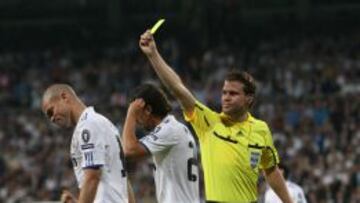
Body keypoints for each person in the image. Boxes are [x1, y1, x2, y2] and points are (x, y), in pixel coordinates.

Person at [139, 30, 294, 203]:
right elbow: (178, 88)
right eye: (224, 92)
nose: (226, 97)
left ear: (248, 99)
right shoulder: (209, 122)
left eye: (233, 93)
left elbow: (271, 170)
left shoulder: (261, 129)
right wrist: (153, 55)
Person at [42, 84, 133, 203]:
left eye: (51, 111)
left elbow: (92, 177)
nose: (52, 119)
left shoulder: (88, 125)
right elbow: (124, 180)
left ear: (64, 97)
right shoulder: (102, 122)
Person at [122, 83, 200, 203]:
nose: (137, 121)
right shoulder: (173, 128)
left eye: (138, 113)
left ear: (148, 110)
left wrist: (130, 114)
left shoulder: (169, 130)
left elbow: (129, 150)